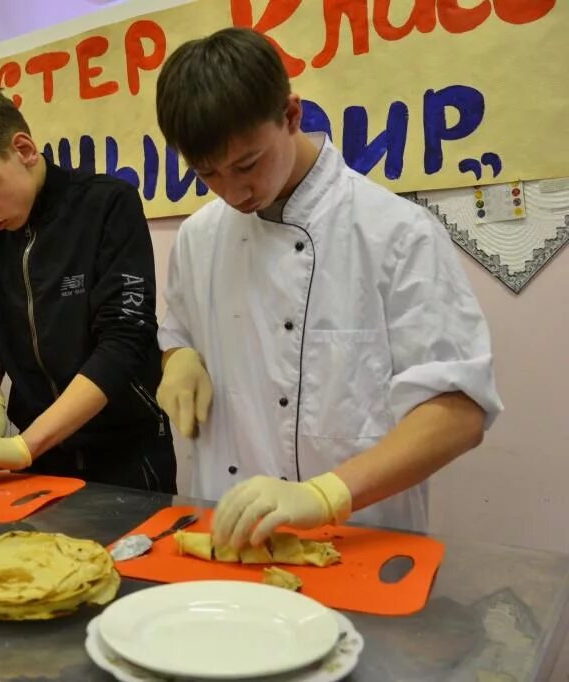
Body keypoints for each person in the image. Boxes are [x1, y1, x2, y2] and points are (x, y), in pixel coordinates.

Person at [152, 28, 503, 549]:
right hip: (225, 537)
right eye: (208, 174)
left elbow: (458, 412)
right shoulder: (199, 237)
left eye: (247, 164)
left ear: (291, 116)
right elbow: (179, 332)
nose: (233, 191)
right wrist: (179, 358)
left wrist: (326, 494)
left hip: (356, 541)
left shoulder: (395, 232)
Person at [0, 89, 176, 492]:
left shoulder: (109, 204)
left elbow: (124, 341)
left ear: (23, 149)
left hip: (123, 454)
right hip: (41, 458)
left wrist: (25, 445)